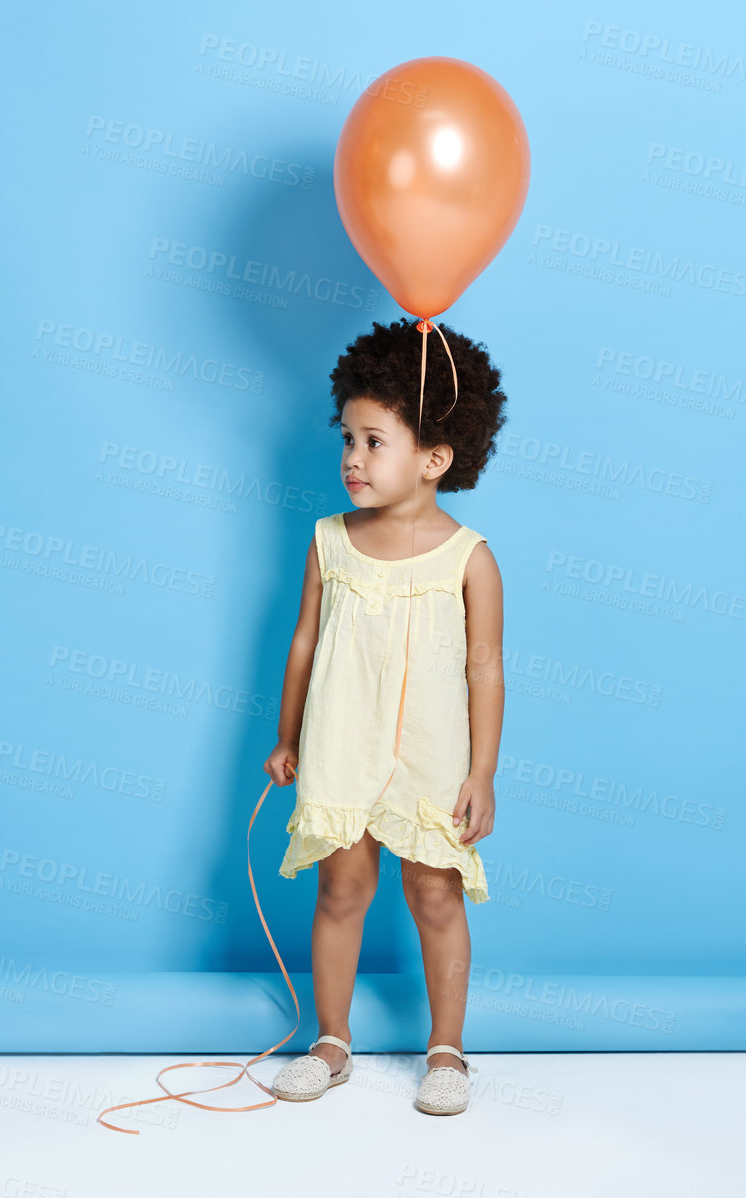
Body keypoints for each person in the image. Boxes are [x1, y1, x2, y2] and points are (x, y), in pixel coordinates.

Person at [263, 317, 507, 1116]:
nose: (352, 460)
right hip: (341, 739)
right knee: (341, 887)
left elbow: (485, 669)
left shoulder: (469, 558)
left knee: (435, 894)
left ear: (435, 458)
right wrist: (287, 737)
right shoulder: (329, 541)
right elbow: (304, 644)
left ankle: (447, 1050)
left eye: (375, 442)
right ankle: (330, 1040)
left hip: (432, 753)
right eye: (348, 440)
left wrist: (482, 773)